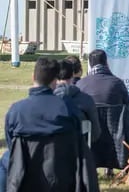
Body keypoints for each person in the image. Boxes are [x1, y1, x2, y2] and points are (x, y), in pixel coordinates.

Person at [0, 58, 78, 191]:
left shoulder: (16, 111)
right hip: (60, 175)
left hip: (24, 176)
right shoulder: (67, 110)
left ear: (33, 77)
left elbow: (12, 144)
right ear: (55, 80)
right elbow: (75, 143)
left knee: (4, 163)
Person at [54, 58, 102, 143]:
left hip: (51, 151)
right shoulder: (86, 100)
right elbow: (95, 133)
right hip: (80, 151)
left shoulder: (46, 101)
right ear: (73, 74)